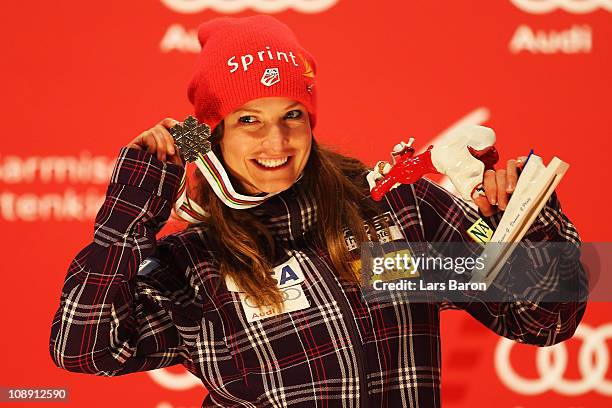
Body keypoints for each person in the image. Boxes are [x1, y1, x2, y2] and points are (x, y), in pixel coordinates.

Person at [49, 15, 587, 407]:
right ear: (209, 133)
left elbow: (545, 320)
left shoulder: (393, 214)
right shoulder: (196, 264)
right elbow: (84, 349)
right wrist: (128, 216)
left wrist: (525, 224)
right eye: (248, 120)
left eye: (292, 115)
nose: (276, 141)